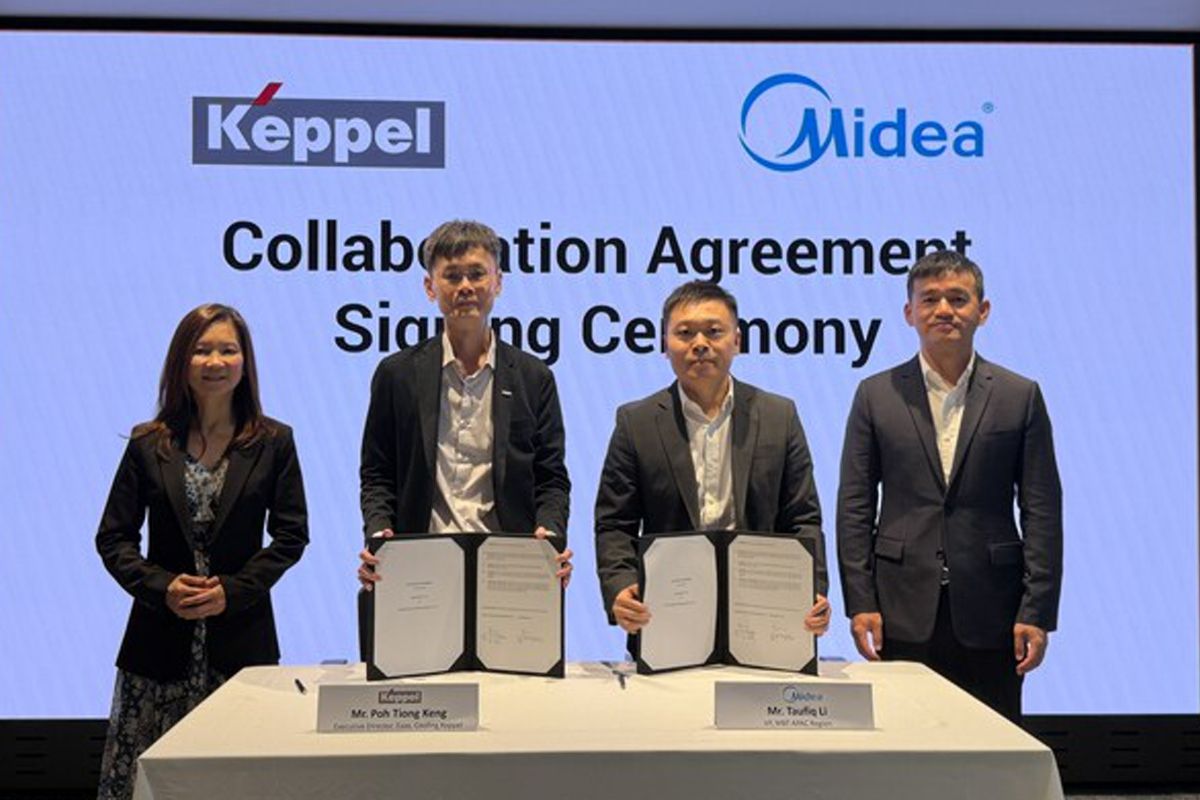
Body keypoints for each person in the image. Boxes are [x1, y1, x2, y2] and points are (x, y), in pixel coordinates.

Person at [836, 249, 1063, 722]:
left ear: (983, 310)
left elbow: (1042, 509)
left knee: (992, 746)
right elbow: (855, 506)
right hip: (899, 608)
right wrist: (860, 602)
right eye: (930, 299)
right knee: (905, 744)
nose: (944, 310)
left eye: (958, 299)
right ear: (909, 312)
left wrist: (1036, 611)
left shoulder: (1020, 395)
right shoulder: (875, 395)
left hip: (993, 609)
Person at [95, 304, 308, 800]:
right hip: (156, 648)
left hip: (242, 646)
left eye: (228, 350)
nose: (215, 362)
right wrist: (162, 587)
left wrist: (232, 592)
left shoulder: (275, 442)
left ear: (245, 361)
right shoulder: (148, 443)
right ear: (181, 361)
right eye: (201, 350)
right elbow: (113, 538)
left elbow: (291, 536)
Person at [594, 280, 831, 642]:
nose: (700, 343)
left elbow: (802, 518)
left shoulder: (779, 416)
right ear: (664, 344)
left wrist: (811, 590)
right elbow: (615, 523)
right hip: (666, 614)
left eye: (714, 332)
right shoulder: (636, 422)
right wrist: (620, 586)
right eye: (685, 333)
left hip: (764, 614)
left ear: (737, 341)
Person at [357, 220, 572, 597]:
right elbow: (378, 473)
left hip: (508, 566)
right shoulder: (397, 374)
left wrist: (550, 534)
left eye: (477, 274)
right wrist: (379, 533)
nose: (466, 286)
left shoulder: (534, 377)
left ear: (498, 282)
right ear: (430, 287)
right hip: (417, 564)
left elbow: (550, 478)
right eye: (452, 276)